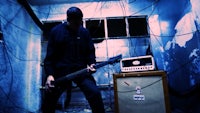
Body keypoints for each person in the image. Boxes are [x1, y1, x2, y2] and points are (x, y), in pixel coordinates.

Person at [43, 7, 105, 113]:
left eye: (79, 22)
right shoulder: (56, 32)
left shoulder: (84, 33)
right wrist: (50, 74)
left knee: (94, 93)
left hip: (80, 71)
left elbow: (90, 51)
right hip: (60, 73)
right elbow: (50, 57)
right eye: (75, 23)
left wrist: (91, 64)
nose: (78, 25)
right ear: (69, 20)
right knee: (49, 100)